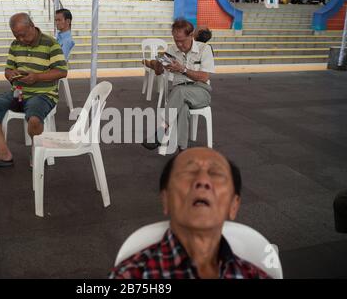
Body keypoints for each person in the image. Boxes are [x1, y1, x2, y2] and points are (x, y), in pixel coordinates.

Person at [109, 147, 271, 279]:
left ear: (233, 205)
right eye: (189, 172)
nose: (202, 181)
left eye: (216, 173)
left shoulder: (255, 275)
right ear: (166, 199)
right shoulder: (129, 276)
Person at [0, 13, 67, 168]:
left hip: (43, 95)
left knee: (35, 119)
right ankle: (3, 152)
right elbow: (8, 69)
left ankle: (36, 151)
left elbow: (62, 71)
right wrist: (10, 75)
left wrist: (36, 77)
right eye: (17, 36)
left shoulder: (51, 44)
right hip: (18, 92)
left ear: (32, 26)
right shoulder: (15, 45)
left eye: (23, 35)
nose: (21, 40)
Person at [142, 19, 215, 152]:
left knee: (180, 92)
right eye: (176, 40)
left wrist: (183, 69)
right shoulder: (171, 49)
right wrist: (159, 64)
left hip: (201, 91)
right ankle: (183, 149)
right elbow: (158, 73)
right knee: (183, 107)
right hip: (179, 93)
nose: (179, 44)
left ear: (191, 35)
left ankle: (161, 130)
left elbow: (204, 77)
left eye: (182, 40)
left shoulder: (204, 49)